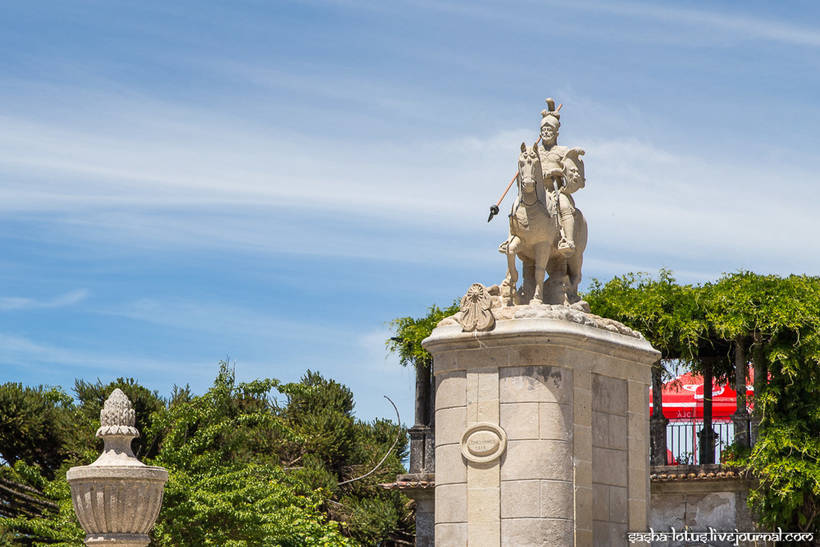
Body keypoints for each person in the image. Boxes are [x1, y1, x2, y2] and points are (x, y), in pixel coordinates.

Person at [536, 99, 581, 256]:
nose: (546, 132)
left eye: (549, 130)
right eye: (543, 130)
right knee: (518, 206)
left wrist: (555, 171)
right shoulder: (536, 151)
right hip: (537, 190)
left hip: (555, 190)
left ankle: (568, 240)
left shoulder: (562, 151)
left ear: (556, 133)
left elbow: (569, 170)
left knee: (564, 206)